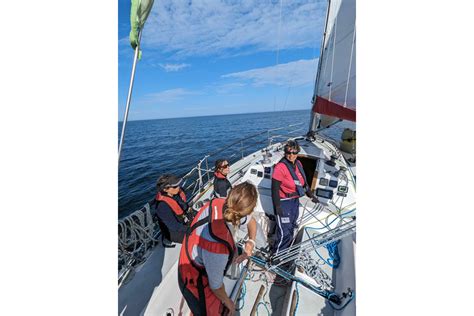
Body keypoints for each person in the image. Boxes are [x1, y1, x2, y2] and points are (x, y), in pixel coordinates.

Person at [178, 182, 258, 316]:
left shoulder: (225, 204)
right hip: (191, 276)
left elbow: (251, 222)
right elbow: (215, 286)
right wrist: (228, 302)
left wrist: (251, 242)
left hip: (200, 258)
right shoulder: (216, 246)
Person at [271, 140, 317, 254]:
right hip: (283, 202)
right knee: (284, 231)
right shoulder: (280, 168)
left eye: (294, 153)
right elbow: (274, 189)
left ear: (297, 153)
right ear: (285, 152)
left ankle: (286, 250)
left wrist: (311, 195)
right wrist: (277, 206)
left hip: (294, 200)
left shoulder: (298, 164)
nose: (291, 155)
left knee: (292, 225)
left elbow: (303, 183)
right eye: (288, 152)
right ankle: (277, 255)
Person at [153, 174, 192, 245]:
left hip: (183, 221)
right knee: (197, 237)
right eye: (175, 186)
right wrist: (191, 229)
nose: (178, 187)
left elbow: (184, 206)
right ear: (165, 189)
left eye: (178, 185)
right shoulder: (162, 206)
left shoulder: (175, 194)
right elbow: (174, 226)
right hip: (173, 232)